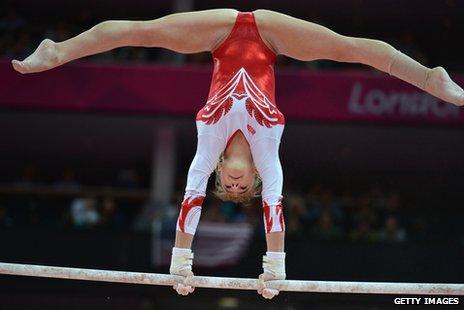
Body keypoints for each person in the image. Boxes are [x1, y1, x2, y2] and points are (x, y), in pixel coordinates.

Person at [11, 9, 464, 299]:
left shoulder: (207, 145)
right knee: (348, 47)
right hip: (272, 37)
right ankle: (429, 78)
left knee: (141, 32)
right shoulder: (269, 153)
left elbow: (190, 197)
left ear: (221, 172)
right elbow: (274, 209)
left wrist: (180, 263)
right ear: (252, 179)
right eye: (240, 187)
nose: (232, 183)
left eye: (225, 185)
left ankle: (58, 50)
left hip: (219, 36)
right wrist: (275, 268)